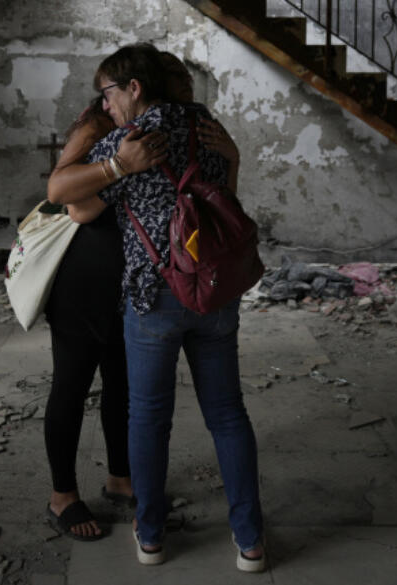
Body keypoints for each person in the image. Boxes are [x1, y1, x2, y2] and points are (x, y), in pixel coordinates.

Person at [52, 44, 265, 572]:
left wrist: (115, 166)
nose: (108, 105)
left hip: (154, 298)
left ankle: (150, 538)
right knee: (229, 416)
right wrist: (231, 160)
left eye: (110, 94)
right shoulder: (212, 130)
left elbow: (68, 199)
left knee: (148, 418)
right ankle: (252, 542)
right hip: (215, 294)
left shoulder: (135, 139)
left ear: (135, 88)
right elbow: (224, 203)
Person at [39, 92, 168, 541]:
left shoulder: (151, 129)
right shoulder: (97, 125)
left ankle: (120, 478)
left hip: (126, 282)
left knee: (123, 386)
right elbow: (72, 201)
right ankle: (62, 496)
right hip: (81, 281)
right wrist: (121, 171)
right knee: (71, 387)